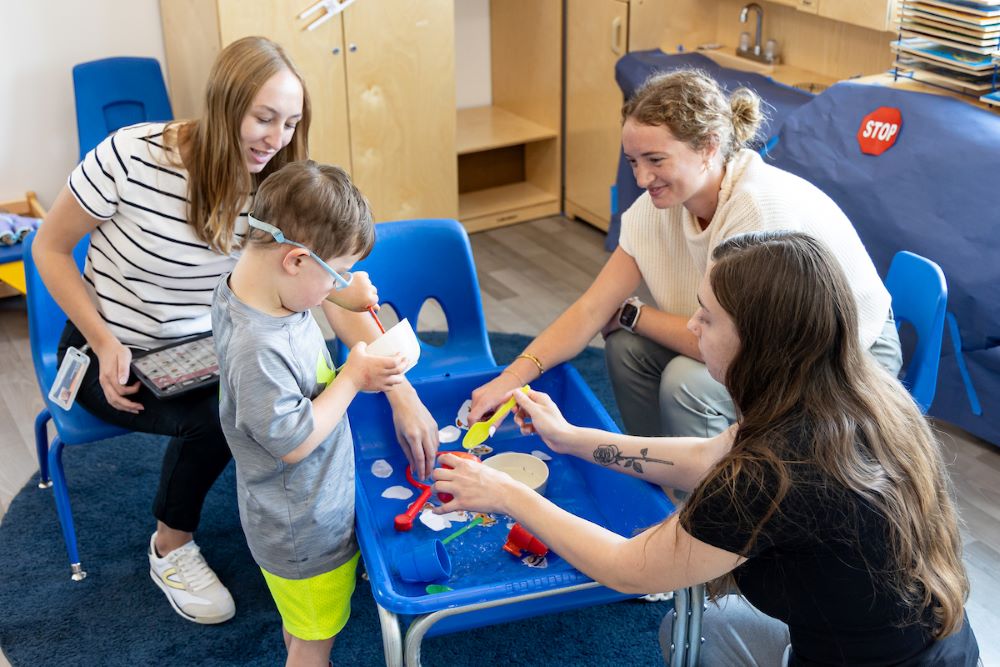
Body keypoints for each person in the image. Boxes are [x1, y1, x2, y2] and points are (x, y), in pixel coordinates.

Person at [32, 36, 438, 625]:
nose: (276, 139)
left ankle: (304, 525)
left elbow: (328, 288)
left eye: (291, 122)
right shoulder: (129, 156)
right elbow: (47, 247)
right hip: (111, 346)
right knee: (229, 416)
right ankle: (170, 544)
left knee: (284, 389)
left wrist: (401, 392)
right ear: (224, 107)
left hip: (214, 345)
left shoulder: (274, 187)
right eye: (264, 117)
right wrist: (101, 339)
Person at [435, 231, 979, 666]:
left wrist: (508, 495)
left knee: (690, 633)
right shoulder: (858, 389)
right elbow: (705, 456)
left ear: (759, 341)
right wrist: (573, 440)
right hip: (940, 645)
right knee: (694, 627)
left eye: (708, 316)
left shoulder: (773, 472)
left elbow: (628, 568)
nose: (691, 327)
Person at [468, 68, 901, 443]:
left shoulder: (756, 210)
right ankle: (663, 481)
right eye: (633, 161)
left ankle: (711, 515)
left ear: (710, 146)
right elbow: (591, 309)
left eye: (655, 159)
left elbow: (736, 347)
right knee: (625, 349)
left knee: (686, 383)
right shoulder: (663, 206)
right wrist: (510, 379)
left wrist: (635, 315)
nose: (641, 177)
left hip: (842, 356)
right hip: (748, 345)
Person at [212, 160, 398, 666]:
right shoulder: (258, 348)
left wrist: (341, 289)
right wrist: (353, 378)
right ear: (294, 261)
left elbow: (303, 285)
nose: (333, 288)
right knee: (315, 641)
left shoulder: (247, 286)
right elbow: (293, 441)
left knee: (301, 625)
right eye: (334, 271)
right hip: (305, 527)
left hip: (290, 513)